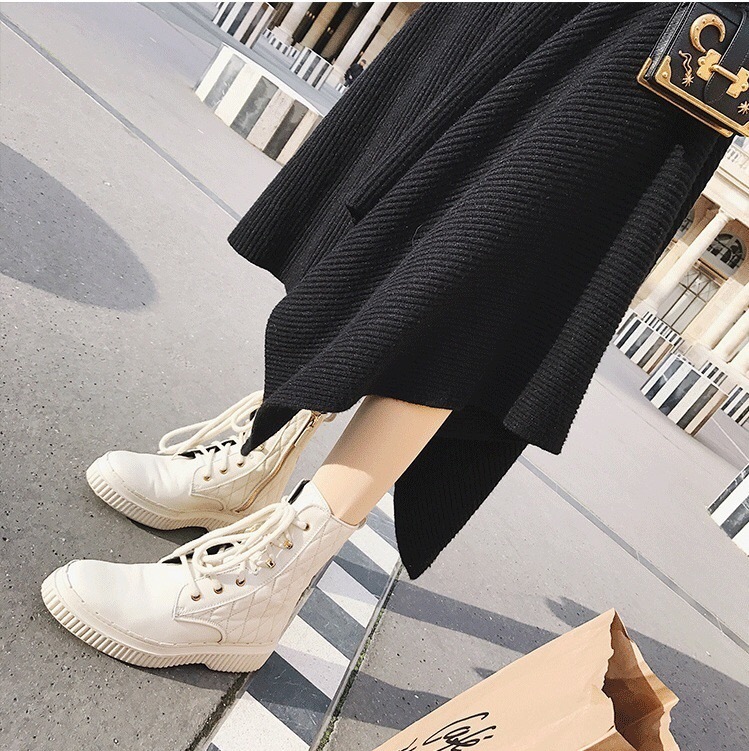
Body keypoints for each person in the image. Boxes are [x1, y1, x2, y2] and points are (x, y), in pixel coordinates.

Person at [42, 3, 731, 672]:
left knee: (490, 250)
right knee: (407, 176)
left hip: (666, 24)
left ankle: (270, 579)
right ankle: (262, 455)